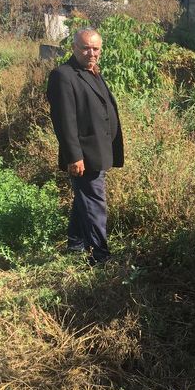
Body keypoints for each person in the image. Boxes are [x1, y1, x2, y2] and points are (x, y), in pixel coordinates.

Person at [47, 27, 124, 264]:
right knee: (94, 202)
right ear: (74, 48)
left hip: (99, 151)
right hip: (84, 154)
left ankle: (76, 244)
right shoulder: (63, 75)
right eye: (86, 48)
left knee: (86, 198)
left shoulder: (92, 71)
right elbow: (64, 120)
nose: (91, 53)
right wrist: (74, 156)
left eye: (96, 48)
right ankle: (99, 257)